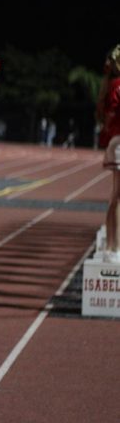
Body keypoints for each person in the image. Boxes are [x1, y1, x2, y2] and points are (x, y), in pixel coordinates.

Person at [98, 45, 120, 264]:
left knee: (116, 197)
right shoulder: (119, 86)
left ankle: (112, 246)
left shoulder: (112, 85)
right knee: (118, 198)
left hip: (117, 142)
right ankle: (114, 248)